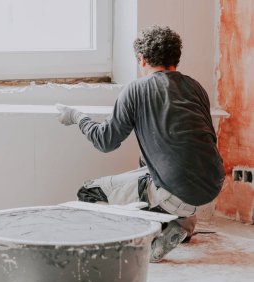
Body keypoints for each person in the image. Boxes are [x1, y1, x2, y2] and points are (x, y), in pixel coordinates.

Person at [56, 25, 225, 262]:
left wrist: (76, 117)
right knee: (146, 163)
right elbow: (205, 140)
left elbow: (105, 141)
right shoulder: (195, 87)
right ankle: (181, 224)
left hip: (177, 190)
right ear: (176, 57)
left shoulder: (136, 89)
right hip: (212, 183)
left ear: (142, 59)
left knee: (89, 192)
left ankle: (149, 239)